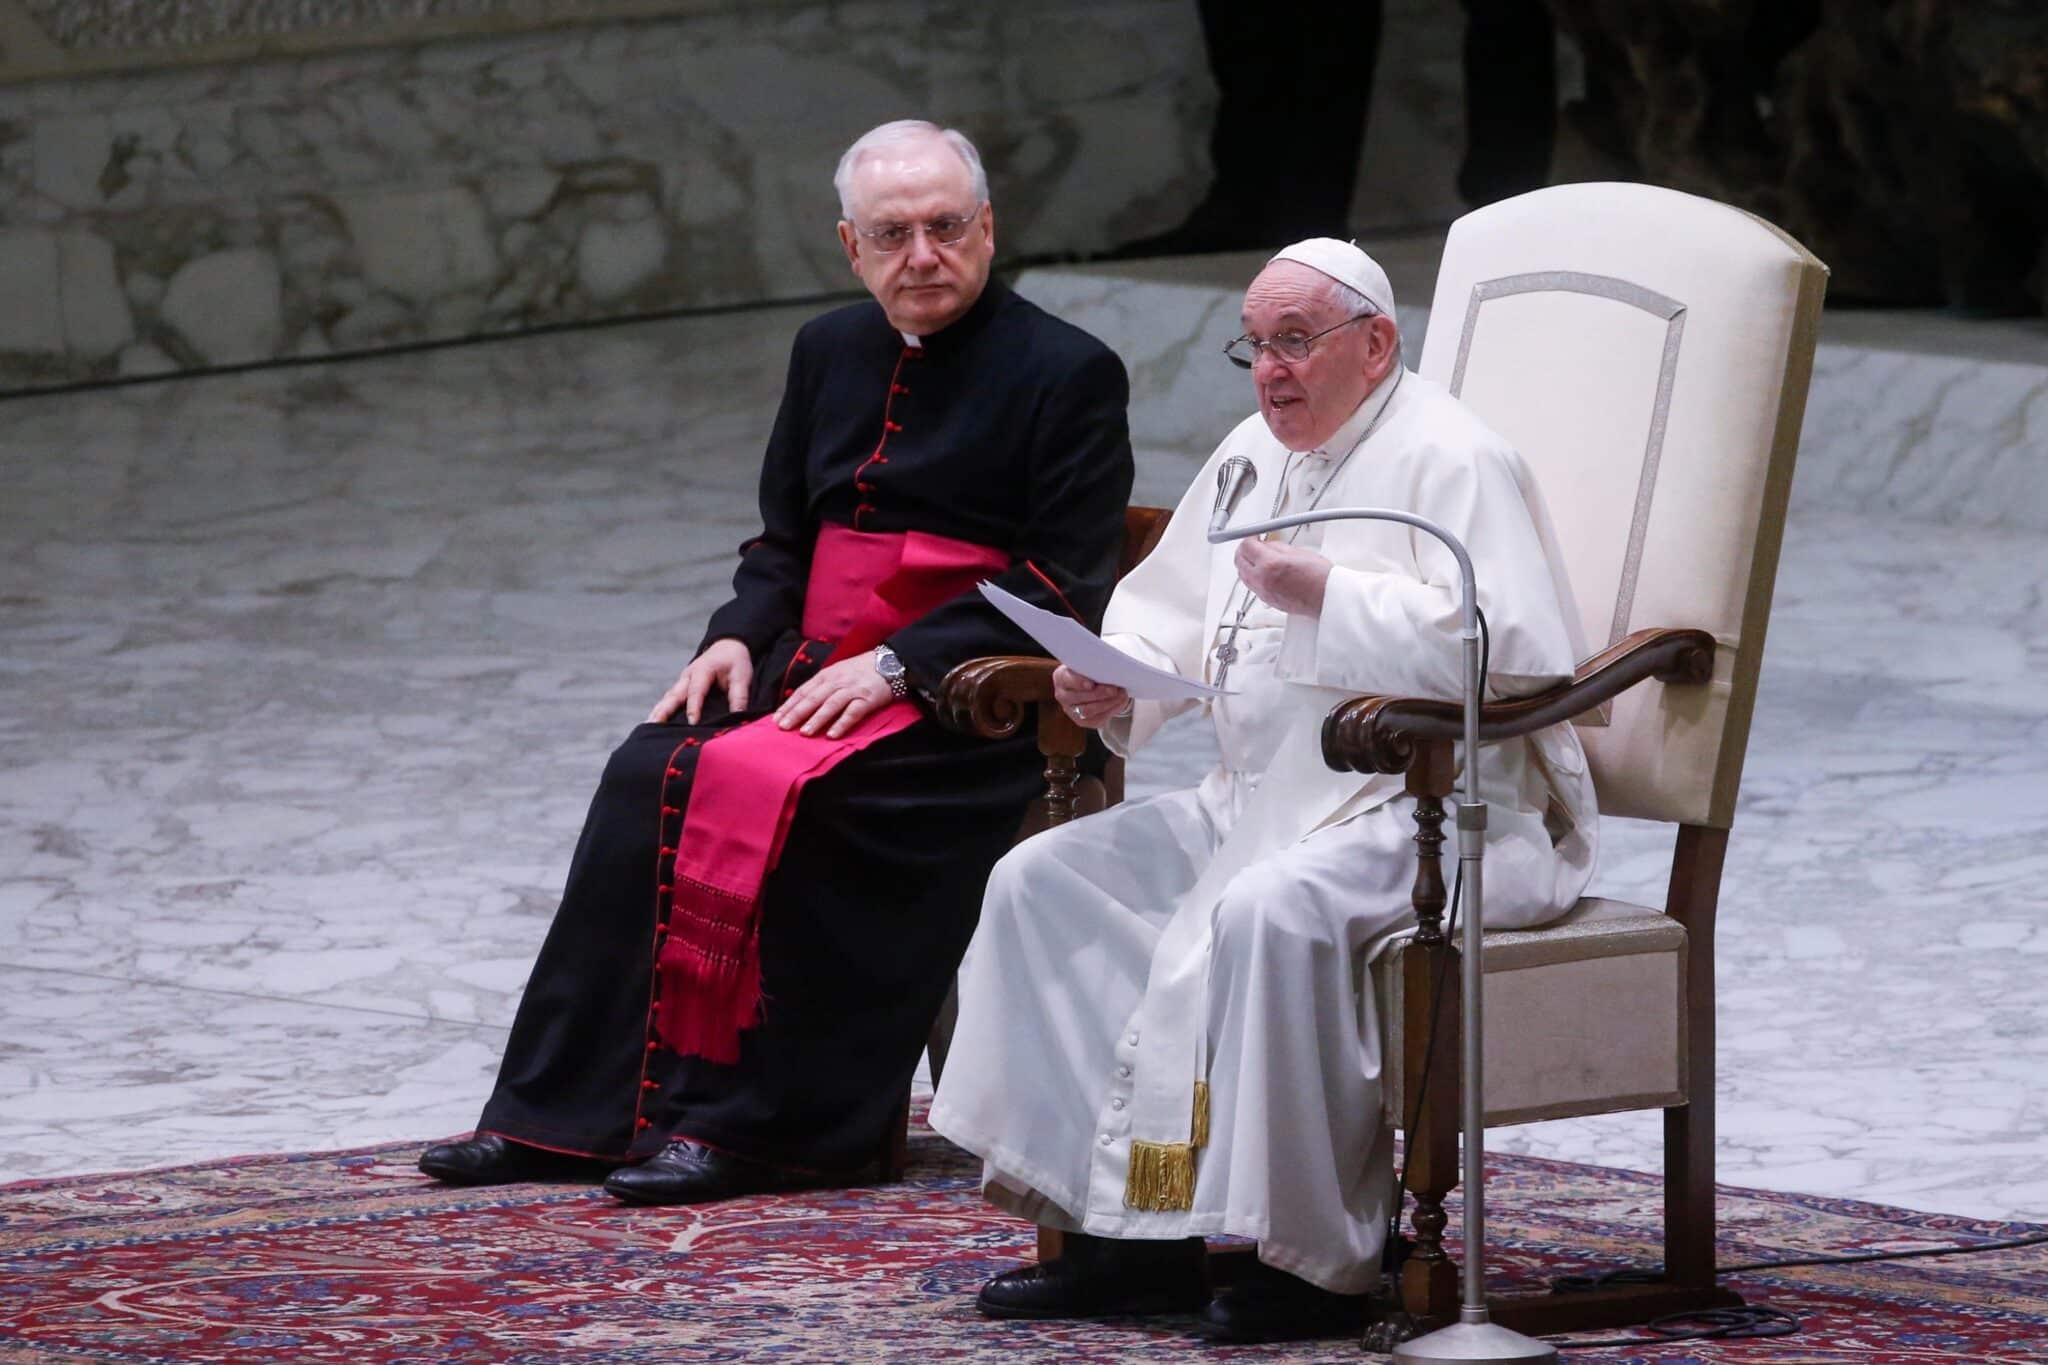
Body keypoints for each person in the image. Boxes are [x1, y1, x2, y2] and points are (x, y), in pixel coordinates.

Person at [418, 120, 1134, 1205]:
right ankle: (564, 1118)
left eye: (945, 228)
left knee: (803, 797)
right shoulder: (827, 350)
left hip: (969, 710)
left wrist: (900, 664)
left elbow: (1061, 581)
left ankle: (762, 1130)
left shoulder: (1067, 370)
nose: (921, 256)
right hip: (809, 669)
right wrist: (731, 635)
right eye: (891, 235)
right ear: (851, 246)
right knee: (644, 769)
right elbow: (783, 544)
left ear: (986, 229)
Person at [927, 239, 1596, 1342]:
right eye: (1257, 346)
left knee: (1270, 913)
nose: (1270, 372)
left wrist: (1329, 593)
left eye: (1296, 342)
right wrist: (1111, 672)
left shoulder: (1452, 459)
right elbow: (1168, 604)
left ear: (1373, 344)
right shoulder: (1250, 452)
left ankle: (1316, 1263)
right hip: (1251, 801)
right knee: (1040, 879)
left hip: (1427, 810)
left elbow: (1513, 654)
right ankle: (1123, 1241)